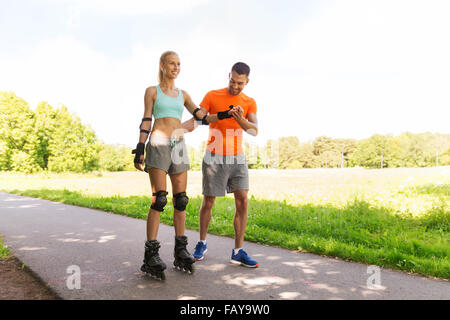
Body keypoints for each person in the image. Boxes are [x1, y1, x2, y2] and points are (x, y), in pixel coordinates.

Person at [132, 50, 210, 280]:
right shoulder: (152, 91)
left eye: (179, 64)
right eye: (172, 63)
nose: (176, 67)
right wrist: (139, 147)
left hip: (179, 146)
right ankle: (151, 254)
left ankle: (180, 250)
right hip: (157, 144)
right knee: (159, 199)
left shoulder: (183, 94)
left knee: (181, 200)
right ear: (162, 65)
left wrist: (217, 113)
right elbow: (147, 119)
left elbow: (200, 115)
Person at [190, 62, 259, 268]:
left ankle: (238, 251)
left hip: (238, 158)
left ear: (247, 81)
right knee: (209, 201)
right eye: (233, 81)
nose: (235, 86)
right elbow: (199, 116)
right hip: (214, 156)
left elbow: (254, 130)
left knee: (243, 202)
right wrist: (220, 115)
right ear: (228, 75)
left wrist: (240, 119)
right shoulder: (213, 95)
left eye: (240, 83)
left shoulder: (249, 102)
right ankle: (202, 243)